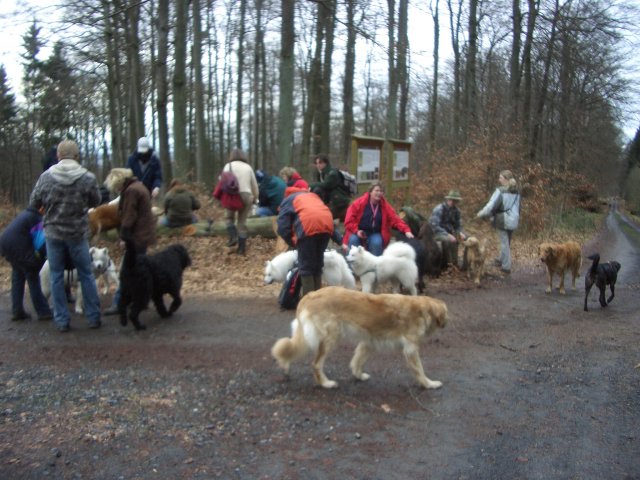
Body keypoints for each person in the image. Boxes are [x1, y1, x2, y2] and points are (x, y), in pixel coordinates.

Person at [29, 139, 102, 332]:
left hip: (53, 234)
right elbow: (96, 200)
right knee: (86, 274)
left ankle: (62, 320)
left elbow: (34, 201)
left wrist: (48, 209)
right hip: (78, 233)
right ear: (76, 156)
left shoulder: (46, 177)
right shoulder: (87, 177)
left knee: (55, 276)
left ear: (58, 156)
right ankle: (94, 316)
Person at [103, 168, 158, 315]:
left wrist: (123, 237)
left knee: (126, 272)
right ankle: (140, 300)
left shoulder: (131, 191)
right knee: (139, 271)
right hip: (144, 235)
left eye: (116, 187)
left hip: (136, 237)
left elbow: (129, 217)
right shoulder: (139, 186)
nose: (116, 190)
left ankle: (119, 303)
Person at [277, 187, 335, 296]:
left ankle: (309, 301)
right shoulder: (312, 196)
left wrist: (293, 242)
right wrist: (339, 240)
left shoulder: (288, 200)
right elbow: (320, 213)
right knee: (317, 265)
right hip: (327, 225)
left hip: (308, 227)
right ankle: (318, 299)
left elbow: (282, 227)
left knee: (306, 267)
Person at [0, 207, 53, 321]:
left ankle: (17, 310)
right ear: (42, 208)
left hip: (4, 244)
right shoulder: (37, 218)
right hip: (19, 247)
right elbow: (40, 243)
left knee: (18, 275)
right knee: (32, 275)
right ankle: (43, 311)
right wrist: (47, 257)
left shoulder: (25, 214)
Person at [342, 181, 414, 256]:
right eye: (376, 190)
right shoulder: (358, 203)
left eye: (381, 191)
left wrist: (406, 230)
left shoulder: (385, 206)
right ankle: (352, 266)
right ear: (370, 192)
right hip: (357, 231)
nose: (379, 193)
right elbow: (349, 220)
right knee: (353, 240)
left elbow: (395, 219)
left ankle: (375, 266)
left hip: (374, 233)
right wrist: (357, 231)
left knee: (377, 243)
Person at [476, 170, 521, 274]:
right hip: (514, 219)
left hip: (503, 219)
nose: (499, 179)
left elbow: (491, 205)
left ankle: (506, 267)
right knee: (507, 241)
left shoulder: (500, 191)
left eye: (500, 177)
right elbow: (519, 207)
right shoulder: (517, 192)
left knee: (504, 243)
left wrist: (481, 213)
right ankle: (501, 259)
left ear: (505, 179)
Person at [220, 148, 259, 255]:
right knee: (242, 223)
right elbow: (254, 185)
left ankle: (233, 237)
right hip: (246, 195)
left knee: (229, 218)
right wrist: (255, 198)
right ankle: (241, 250)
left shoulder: (227, 166)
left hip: (232, 194)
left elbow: (222, 183)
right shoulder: (248, 167)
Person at [429, 190, 467, 267]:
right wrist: (447, 234)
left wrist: (460, 233)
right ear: (448, 200)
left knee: (468, 239)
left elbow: (458, 225)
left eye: (455, 201)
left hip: (449, 232)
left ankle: (463, 265)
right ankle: (447, 264)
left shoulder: (457, 211)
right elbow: (434, 226)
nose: (453, 202)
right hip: (436, 233)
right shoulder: (439, 209)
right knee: (449, 240)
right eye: (452, 200)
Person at [309, 154, 351, 222]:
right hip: (330, 198)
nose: (318, 165)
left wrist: (312, 185)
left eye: (320, 163)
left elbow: (326, 185)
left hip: (338, 199)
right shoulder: (321, 173)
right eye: (316, 163)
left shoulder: (332, 173)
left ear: (326, 163)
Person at [126, 136, 163, 200]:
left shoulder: (154, 160)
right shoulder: (131, 160)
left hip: (148, 192)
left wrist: (156, 187)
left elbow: (158, 176)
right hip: (133, 192)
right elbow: (127, 176)